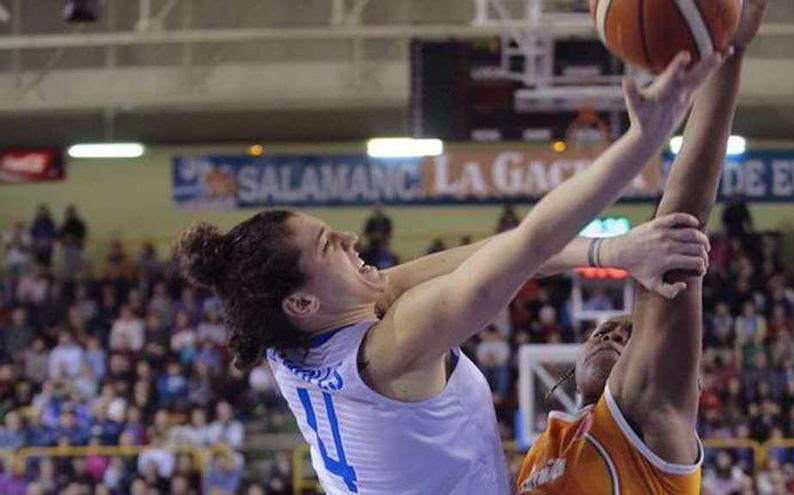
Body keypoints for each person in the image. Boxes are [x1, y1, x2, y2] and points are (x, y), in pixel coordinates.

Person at [175, 52, 721, 494]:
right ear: (302, 303)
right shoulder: (395, 346)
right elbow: (527, 243)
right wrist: (644, 142)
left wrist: (610, 250)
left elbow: (487, 255)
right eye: (329, 246)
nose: (351, 241)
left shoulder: (289, 335)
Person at [515, 3, 769, 493]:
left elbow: (678, 230)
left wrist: (729, 53)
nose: (611, 333)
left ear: (684, 384)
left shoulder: (647, 422)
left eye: (629, 335)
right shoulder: (546, 450)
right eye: (605, 331)